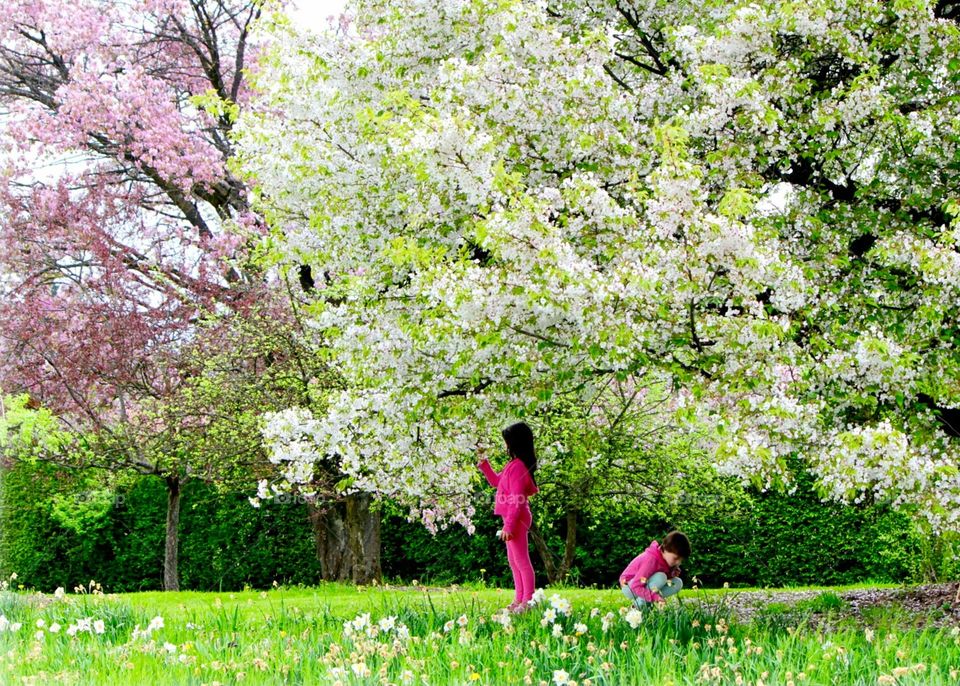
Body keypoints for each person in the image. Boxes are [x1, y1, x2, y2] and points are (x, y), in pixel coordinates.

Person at [477, 422, 539, 613]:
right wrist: (484, 464)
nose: (506, 446)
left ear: (515, 443)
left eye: (508, 442)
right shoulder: (513, 465)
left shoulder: (518, 467)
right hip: (512, 519)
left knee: (521, 561)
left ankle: (527, 601)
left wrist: (510, 526)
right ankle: (519, 599)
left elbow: (517, 501)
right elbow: (497, 481)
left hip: (517, 519)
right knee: (514, 561)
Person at [619, 530, 690, 609]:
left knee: (677, 583)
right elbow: (636, 586)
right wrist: (655, 597)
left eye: (681, 560)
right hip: (629, 586)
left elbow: (652, 578)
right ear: (665, 549)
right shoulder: (651, 560)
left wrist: (671, 574)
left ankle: (645, 603)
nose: (678, 563)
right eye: (675, 558)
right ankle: (637, 607)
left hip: (642, 584)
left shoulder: (664, 560)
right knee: (661, 577)